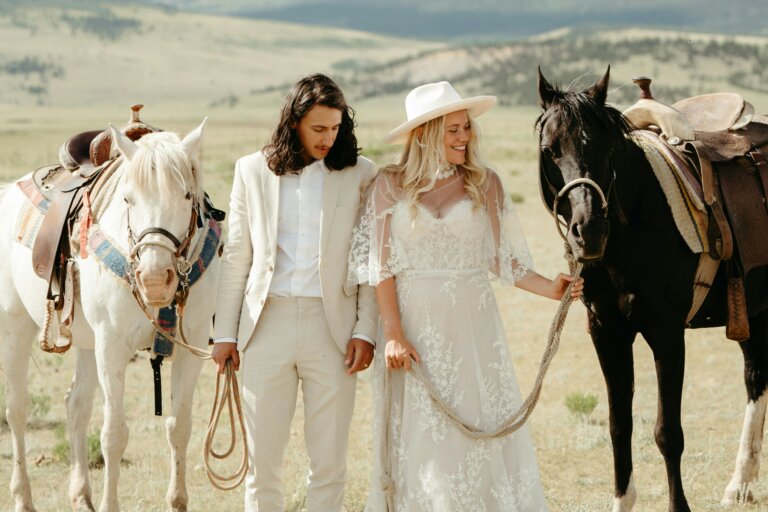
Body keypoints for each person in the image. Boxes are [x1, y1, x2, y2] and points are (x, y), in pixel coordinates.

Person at [348, 81, 584, 510]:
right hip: (413, 329)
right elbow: (381, 268)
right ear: (425, 134)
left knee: (476, 426)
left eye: (466, 128)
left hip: (473, 331)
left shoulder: (485, 182)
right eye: (452, 130)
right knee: (423, 436)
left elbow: (501, 261)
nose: (464, 138)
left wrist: (550, 289)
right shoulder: (389, 184)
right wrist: (394, 334)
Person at [212, 73, 379, 512]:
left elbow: (370, 261)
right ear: (294, 123)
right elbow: (236, 258)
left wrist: (365, 330)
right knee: (261, 464)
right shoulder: (251, 169)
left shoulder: (362, 175)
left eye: (336, 128)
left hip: (335, 331)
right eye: (318, 128)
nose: (328, 138)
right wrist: (224, 334)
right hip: (266, 326)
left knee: (329, 462)